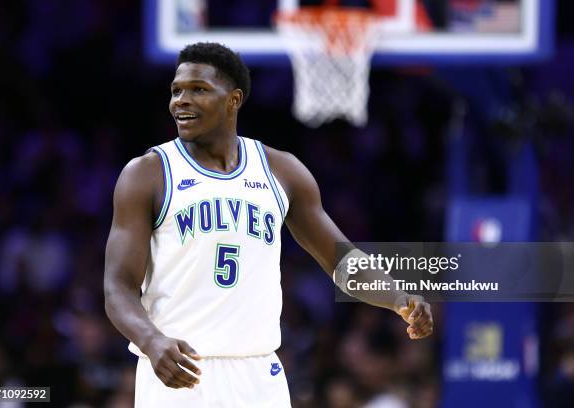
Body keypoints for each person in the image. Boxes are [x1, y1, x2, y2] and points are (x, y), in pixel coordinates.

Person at [104, 42, 433, 407]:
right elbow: (117, 286)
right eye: (176, 91)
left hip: (258, 374)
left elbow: (341, 262)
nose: (181, 100)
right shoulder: (147, 173)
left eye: (198, 90)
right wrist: (150, 340)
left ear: (234, 99)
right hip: (177, 369)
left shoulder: (281, 170)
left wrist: (399, 298)